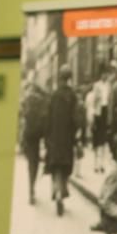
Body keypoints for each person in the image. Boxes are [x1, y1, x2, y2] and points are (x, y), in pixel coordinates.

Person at [45, 64, 80, 216]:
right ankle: (62, 190)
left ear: (60, 77)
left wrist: (47, 136)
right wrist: (77, 135)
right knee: (65, 165)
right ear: (70, 78)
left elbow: (47, 117)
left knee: (54, 164)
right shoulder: (72, 95)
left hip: (54, 136)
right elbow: (76, 118)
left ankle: (56, 190)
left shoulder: (54, 95)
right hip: (67, 137)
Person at [20, 73, 48, 205]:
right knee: (34, 163)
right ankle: (32, 188)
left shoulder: (26, 98)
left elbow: (21, 113)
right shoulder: (41, 98)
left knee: (30, 162)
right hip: (37, 135)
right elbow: (45, 115)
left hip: (27, 135)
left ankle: (31, 188)